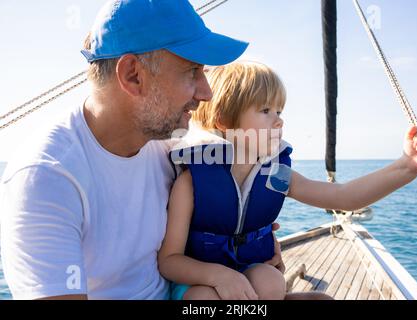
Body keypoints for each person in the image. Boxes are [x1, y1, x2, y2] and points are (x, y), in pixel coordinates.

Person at [0, 0, 250, 300]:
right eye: (192, 70)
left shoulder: (169, 144)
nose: (206, 92)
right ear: (133, 75)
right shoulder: (47, 177)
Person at [157, 61, 417, 300]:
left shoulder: (277, 174)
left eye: (279, 112)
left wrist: (407, 167)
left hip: (249, 275)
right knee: (202, 299)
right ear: (223, 120)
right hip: (198, 281)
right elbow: (169, 261)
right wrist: (217, 276)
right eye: (266, 111)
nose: (279, 121)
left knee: (271, 282)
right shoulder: (192, 183)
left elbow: (344, 197)